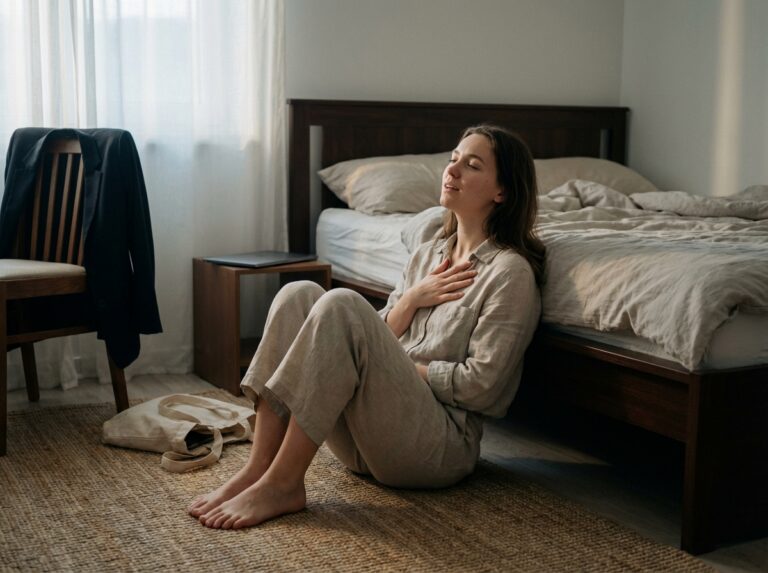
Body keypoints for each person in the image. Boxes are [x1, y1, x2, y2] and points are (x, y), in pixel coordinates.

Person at [188, 125, 545, 529]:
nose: (453, 170)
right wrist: (411, 300)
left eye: (472, 164)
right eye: (453, 159)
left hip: (435, 449)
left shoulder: (509, 273)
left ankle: (284, 485)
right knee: (299, 294)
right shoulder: (429, 253)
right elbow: (361, 337)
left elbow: (485, 388)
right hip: (367, 441)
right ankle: (260, 468)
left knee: (341, 302)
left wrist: (399, 368)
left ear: (503, 191)